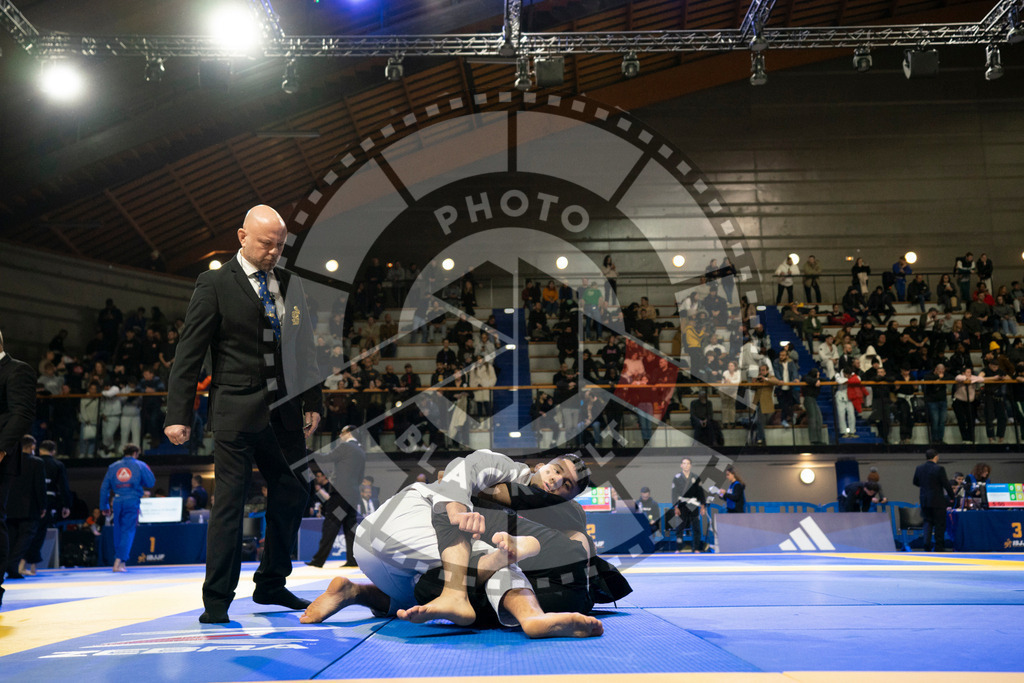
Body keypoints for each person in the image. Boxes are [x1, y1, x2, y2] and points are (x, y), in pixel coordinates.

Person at [164, 204, 324, 624]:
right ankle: (216, 600)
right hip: (236, 412)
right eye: (265, 244)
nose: (273, 252)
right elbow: (189, 352)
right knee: (229, 507)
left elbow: (306, 347)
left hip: (284, 412)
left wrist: (313, 402)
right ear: (242, 237)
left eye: (279, 245)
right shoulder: (214, 283)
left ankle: (271, 584)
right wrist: (177, 413)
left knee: (292, 492)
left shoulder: (290, 284)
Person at [300, 450, 602, 638]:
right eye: (556, 470)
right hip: (403, 522)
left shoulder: (553, 512)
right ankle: (531, 617)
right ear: (540, 465)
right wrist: (456, 503)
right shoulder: (507, 469)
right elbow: (464, 466)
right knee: (499, 554)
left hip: (390, 567)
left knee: (424, 593)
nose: (556, 481)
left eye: (567, 485)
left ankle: (354, 592)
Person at [310, 425, 365, 567]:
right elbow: (360, 477)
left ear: (348, 433)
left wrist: (309, 452)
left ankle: (318, 561)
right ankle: (353, 560)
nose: (340, 436)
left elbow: (325, 459)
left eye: (342, 433)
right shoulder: (360, 450)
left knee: (331, 524)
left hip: (340, 494)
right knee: (349, 526)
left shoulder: (345, 447)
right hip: (353, 494)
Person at [99, 443, 155, 572]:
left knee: (118, 531)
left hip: (117, 500)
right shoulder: (140, 465)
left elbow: (104, 488)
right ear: (135, 453)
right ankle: (119, 561)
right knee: (128, 531)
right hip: (132, 501)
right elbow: (151, 482)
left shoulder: (113, 467)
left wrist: (104, 505)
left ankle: (121, 562)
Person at [23, 440, 71, 576]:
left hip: (29, 501)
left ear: (39, 449)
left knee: (27, 532)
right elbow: (63, 486)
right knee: (39, 533)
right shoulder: (57, 464)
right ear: (53, 451)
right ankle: (32, 566)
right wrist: (66, 504)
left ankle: (22, 564)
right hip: (49, 501)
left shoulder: (32, 462)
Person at [5, 436, 45, 580]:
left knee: (10, 538)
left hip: (8, 506)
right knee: (25, 539)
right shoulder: (37, 463)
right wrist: (42, 506)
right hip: (29, 508)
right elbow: (40, 487)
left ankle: (9, 566)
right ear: (32, 447)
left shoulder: (7, 460)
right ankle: (12, 565)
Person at [913, 449, 956, 552]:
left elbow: (915, 482)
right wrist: (952, 496)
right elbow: (946, 484)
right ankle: (938, 547)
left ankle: (926, 544)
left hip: (924, 500)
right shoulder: (939, 469)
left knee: (927, 522)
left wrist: (925, 486)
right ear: (936, 456)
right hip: (937, 501)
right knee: (939, 524)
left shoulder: (919, 468)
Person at [670, 457, 706, 552]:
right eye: (684, 463)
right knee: (679, 528)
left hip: (693, 505)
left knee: (696, 528)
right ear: (681, 465)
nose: (686, 465)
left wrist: (703, 506)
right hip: (682, 505)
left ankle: (696, 548)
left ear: (691, 465)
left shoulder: (695, 477)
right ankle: (678, 548)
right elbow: (674, 493)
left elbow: (700, 493)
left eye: (688, 463)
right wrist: (675, 507)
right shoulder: (677, 478)